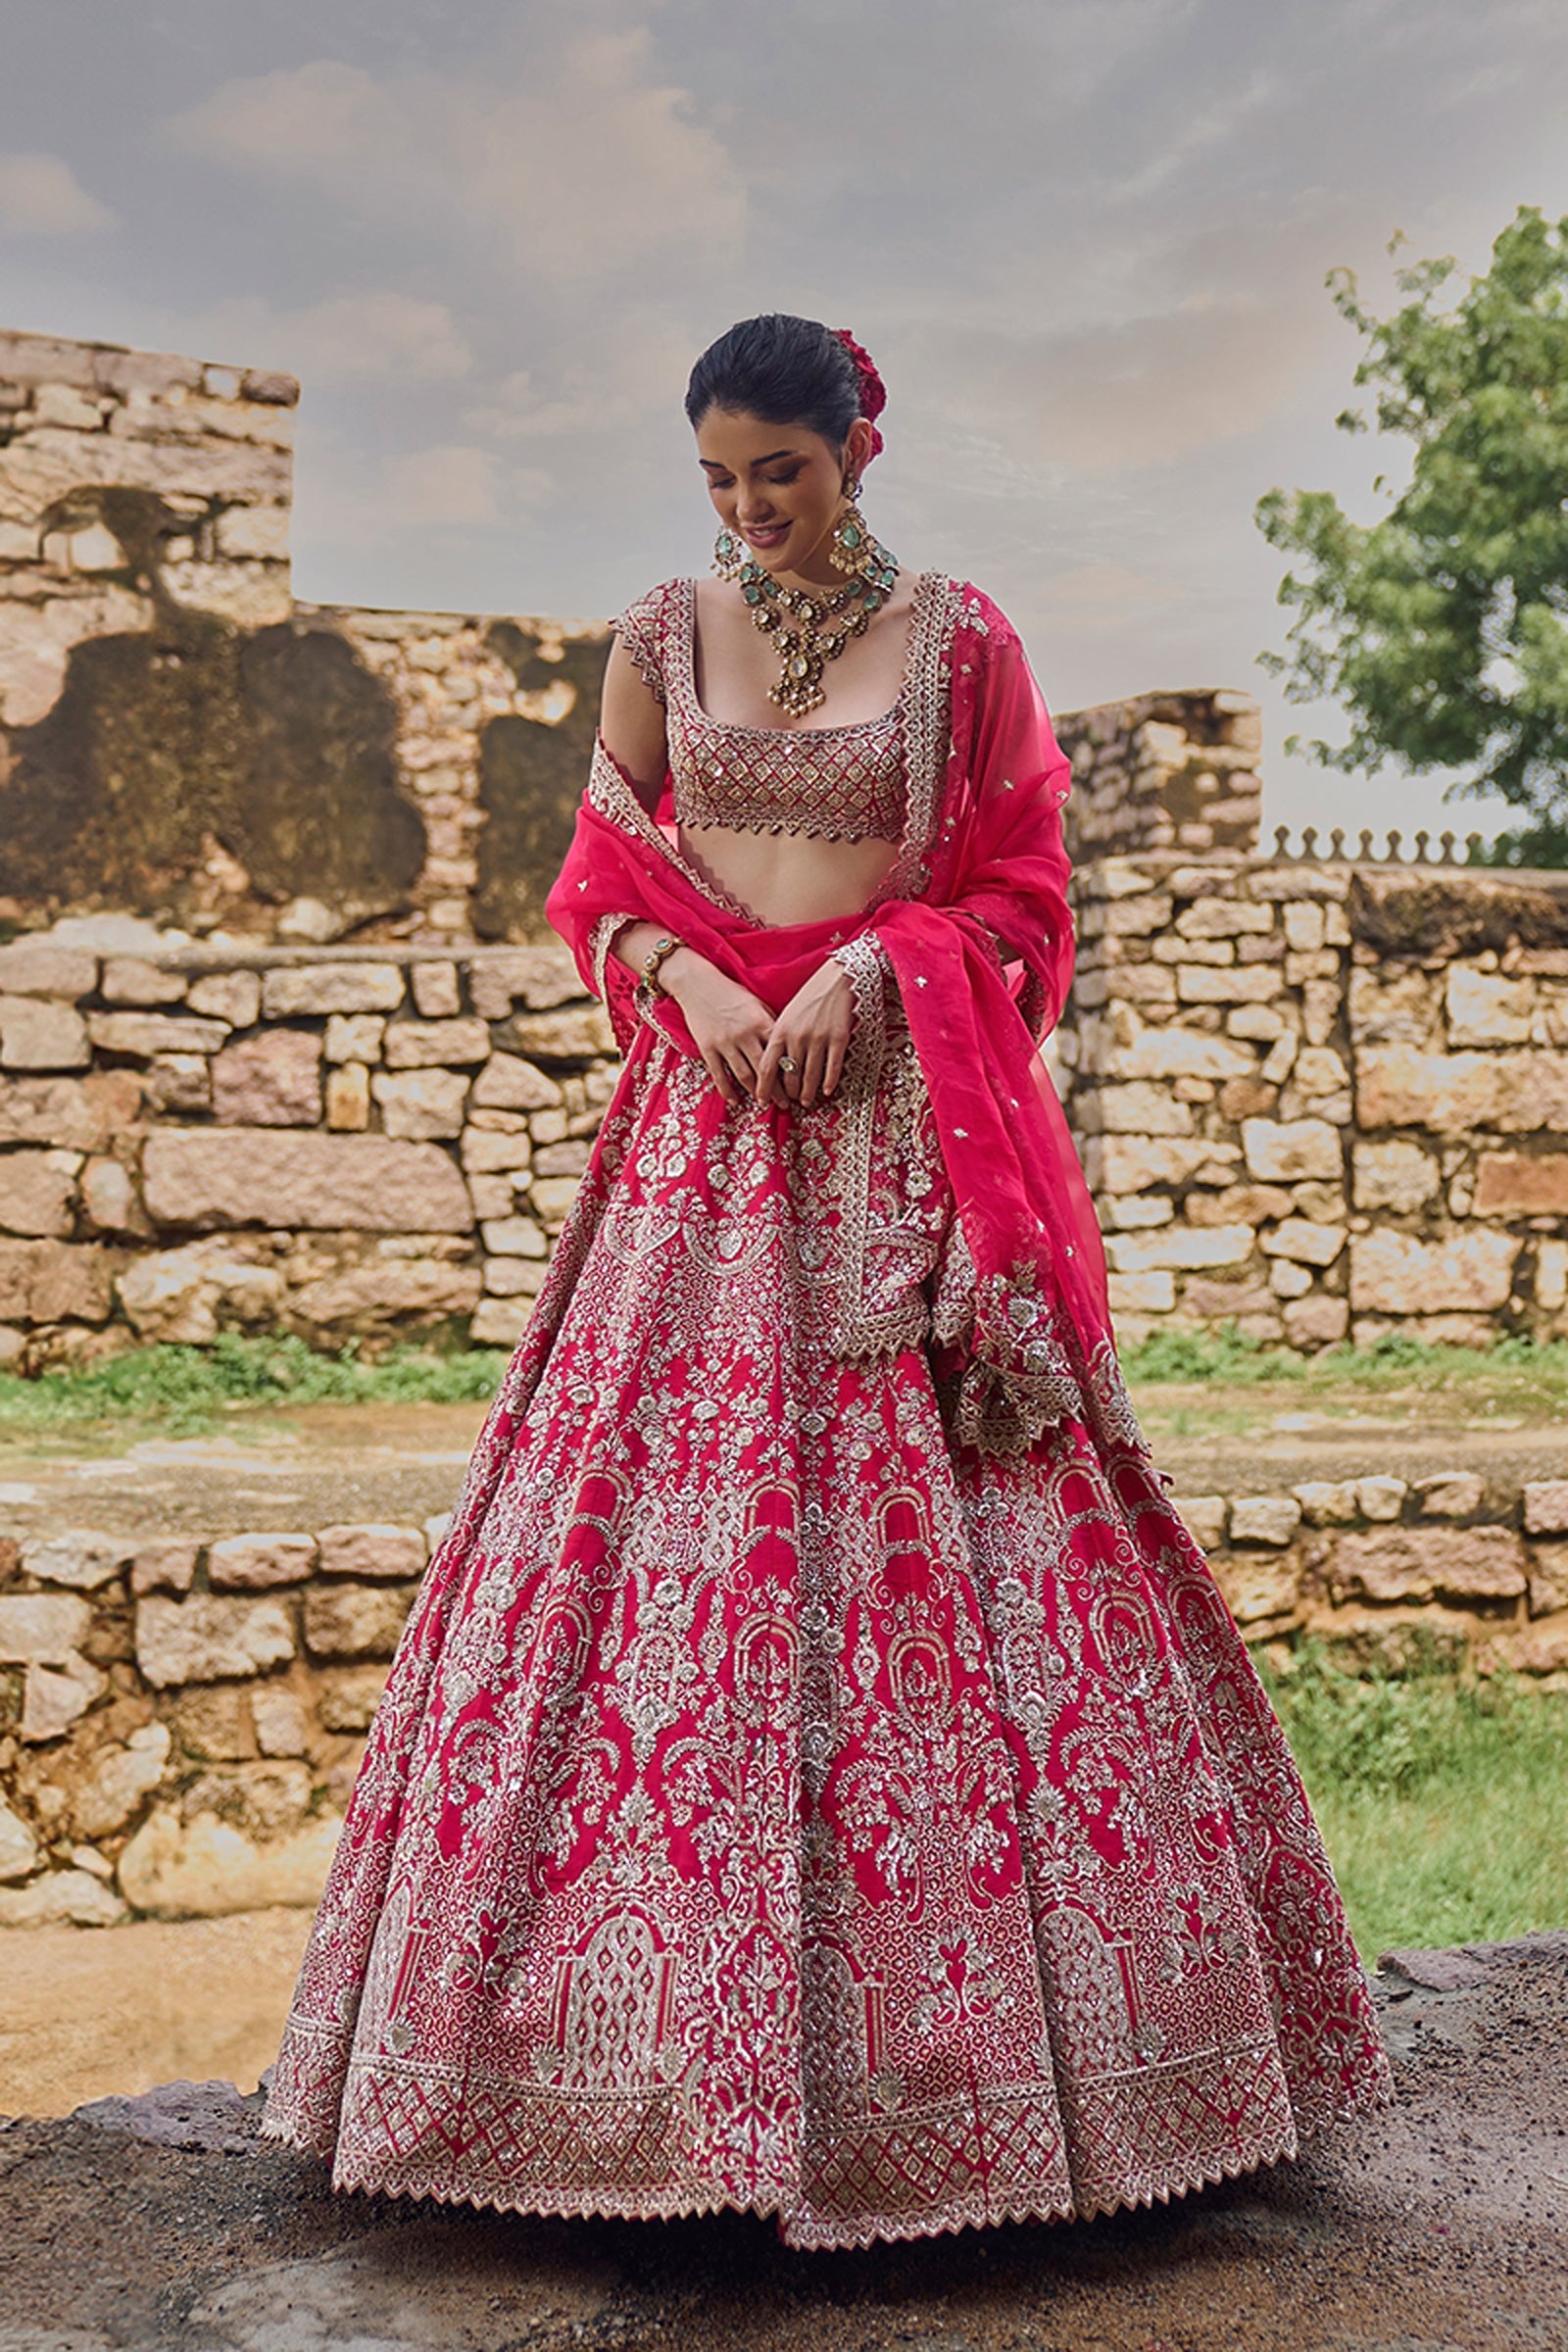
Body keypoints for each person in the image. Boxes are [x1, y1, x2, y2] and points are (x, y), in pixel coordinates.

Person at [261, 314, 1391, 2248]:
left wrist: (878, 970)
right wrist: (688, 979)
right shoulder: (653, 635)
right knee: (630, 1572)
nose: (745, 511)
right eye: (714, 479)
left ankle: (1002, 2099)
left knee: (960, 1565)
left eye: (775, 471)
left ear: (857, 447)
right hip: (698, 1150)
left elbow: (1022, 901)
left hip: (885, 1146)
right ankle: (596, 2099)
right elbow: (602, 882)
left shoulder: (961, 647)